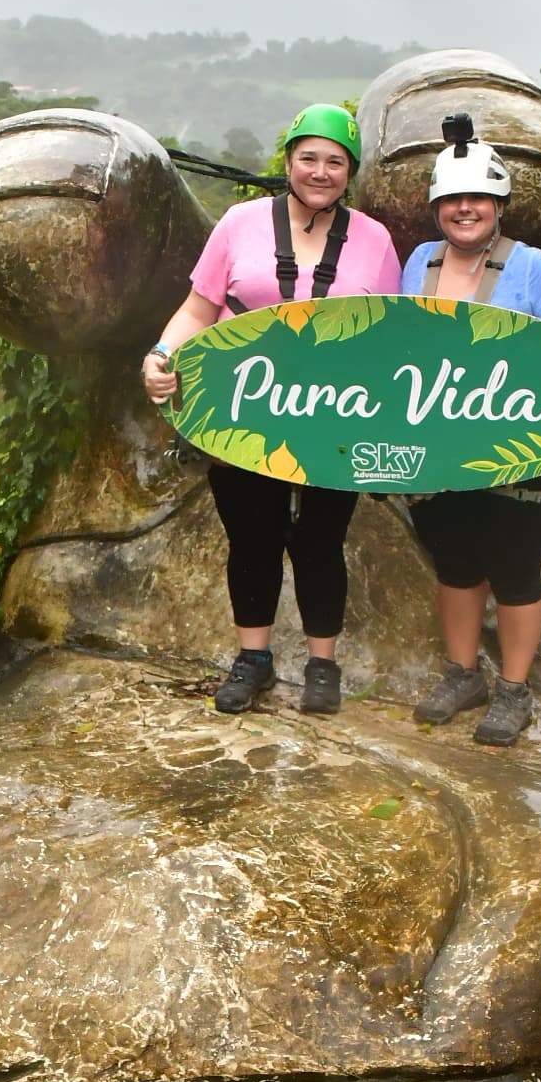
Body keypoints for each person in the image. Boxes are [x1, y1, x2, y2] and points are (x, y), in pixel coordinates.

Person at [143, 105, 401, 715]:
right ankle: (253, 658)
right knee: (251, 536)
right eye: (308, 157)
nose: (320, 171)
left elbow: (391, 333)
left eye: (335, 162)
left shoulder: (374, 238)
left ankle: (321, 665)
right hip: (242, 405)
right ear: (287, 162)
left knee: (321, 539)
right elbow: (198, 310)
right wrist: (160, 354)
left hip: (335, 411)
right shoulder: (239, 224)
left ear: (350, 172)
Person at [400, 118, 541, 746]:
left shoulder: (534, 270)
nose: (465, 210)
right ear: (439, 208)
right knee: (456, 563)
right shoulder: (420, 261)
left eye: (478, 199)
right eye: (453, 200)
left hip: (526, 444)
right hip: (441, 441)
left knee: (515, 568)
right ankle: (462, 673)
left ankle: (513, 690)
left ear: (498, 205)